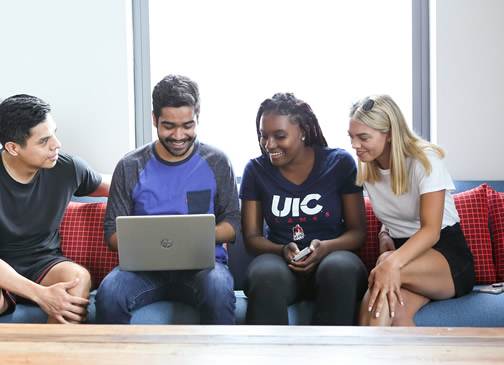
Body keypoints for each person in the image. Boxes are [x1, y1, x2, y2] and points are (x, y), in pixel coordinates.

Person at [0, 94, 111, 324]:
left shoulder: (67, 168)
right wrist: (41, 295)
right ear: (13, 148)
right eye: (44, 141)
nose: (56, 144)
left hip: (43, 264)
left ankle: (50, 355)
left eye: (54, 132)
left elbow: (118, 185)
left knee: (77, 277)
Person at [95, 74, 240, 324]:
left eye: (187, 125)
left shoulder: (216, 161)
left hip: (203, 268)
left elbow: (233, 224)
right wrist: (156, 238)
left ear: (197, 119)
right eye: (169, 126)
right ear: (154, 119)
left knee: (217, 289)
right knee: (109, 294)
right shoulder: (130, 165)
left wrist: (191, 236)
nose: (179, 135)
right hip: (144, 271)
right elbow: (111, 235)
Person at [240, 92, 368, 325]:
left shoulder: (339, 164)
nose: (269, 145)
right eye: (263, 136)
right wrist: (281, 250)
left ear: (303, 132)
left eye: (279, 136)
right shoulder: (256, 171)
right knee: (265, 275)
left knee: (340, 268)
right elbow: (251, 238)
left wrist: (325, 248)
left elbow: (358, 232)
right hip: (280, 262)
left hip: (332, 258)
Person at [348, 94, 475, 326]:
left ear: (389, 135)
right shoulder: (368, 167)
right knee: (394, 311)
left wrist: (391, 261)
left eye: (363, 137)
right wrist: (384, 233)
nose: (354, 145)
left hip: (446, 257)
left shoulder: (424, 159)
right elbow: (399, 209)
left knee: (381, 275)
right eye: (352, 137)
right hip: (404, 256)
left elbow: (431, 231)